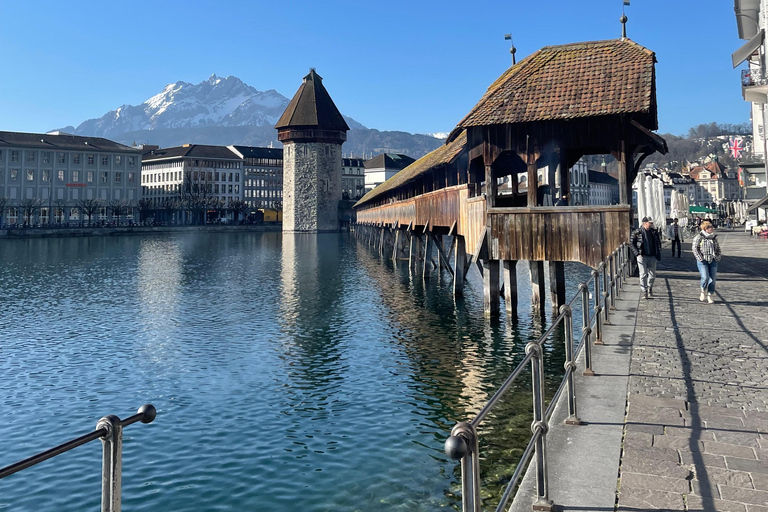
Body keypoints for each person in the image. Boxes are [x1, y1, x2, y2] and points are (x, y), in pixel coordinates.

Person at [631, 217, 662, 299]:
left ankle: (650, 287)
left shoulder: (654, 232)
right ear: (645, 223)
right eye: (650, 223)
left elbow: (658, 242)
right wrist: (637, 253)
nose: (651, 224)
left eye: (651, 223)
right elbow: (631, 243)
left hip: (652, 255)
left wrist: (658, 251)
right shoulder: (637, 232)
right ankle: (644, 291)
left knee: (652, 274)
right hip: (642, 255)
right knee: (643, 273)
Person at [692, 220, 722, 304]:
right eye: (710, 227)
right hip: (703, 261)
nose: (712, 229)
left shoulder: (714, 238)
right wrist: (700, 258)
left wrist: (717, 257)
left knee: (712, 279)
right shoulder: (699, 237)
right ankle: (702, 291)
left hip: (713, 260)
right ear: (705, 229)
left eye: (712, 227)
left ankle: (709, 295)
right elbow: (695, 248)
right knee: (705, 277)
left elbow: (718, 249)